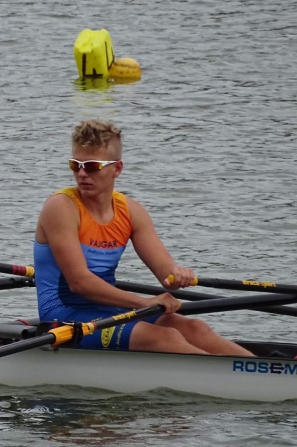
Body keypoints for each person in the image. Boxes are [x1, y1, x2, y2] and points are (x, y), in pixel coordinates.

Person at [33, 119, 253, 356]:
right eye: (75, 165)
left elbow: (166, 276)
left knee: (195, 328)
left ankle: (256, 370)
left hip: (109, 309)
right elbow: (80, 283)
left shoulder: (131, 211)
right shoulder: (61, 207)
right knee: (164, 337)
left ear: (117, 169)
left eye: (93, 166)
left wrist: (177, 274)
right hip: (64, 315)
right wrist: (143, 302)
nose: (82, 174)